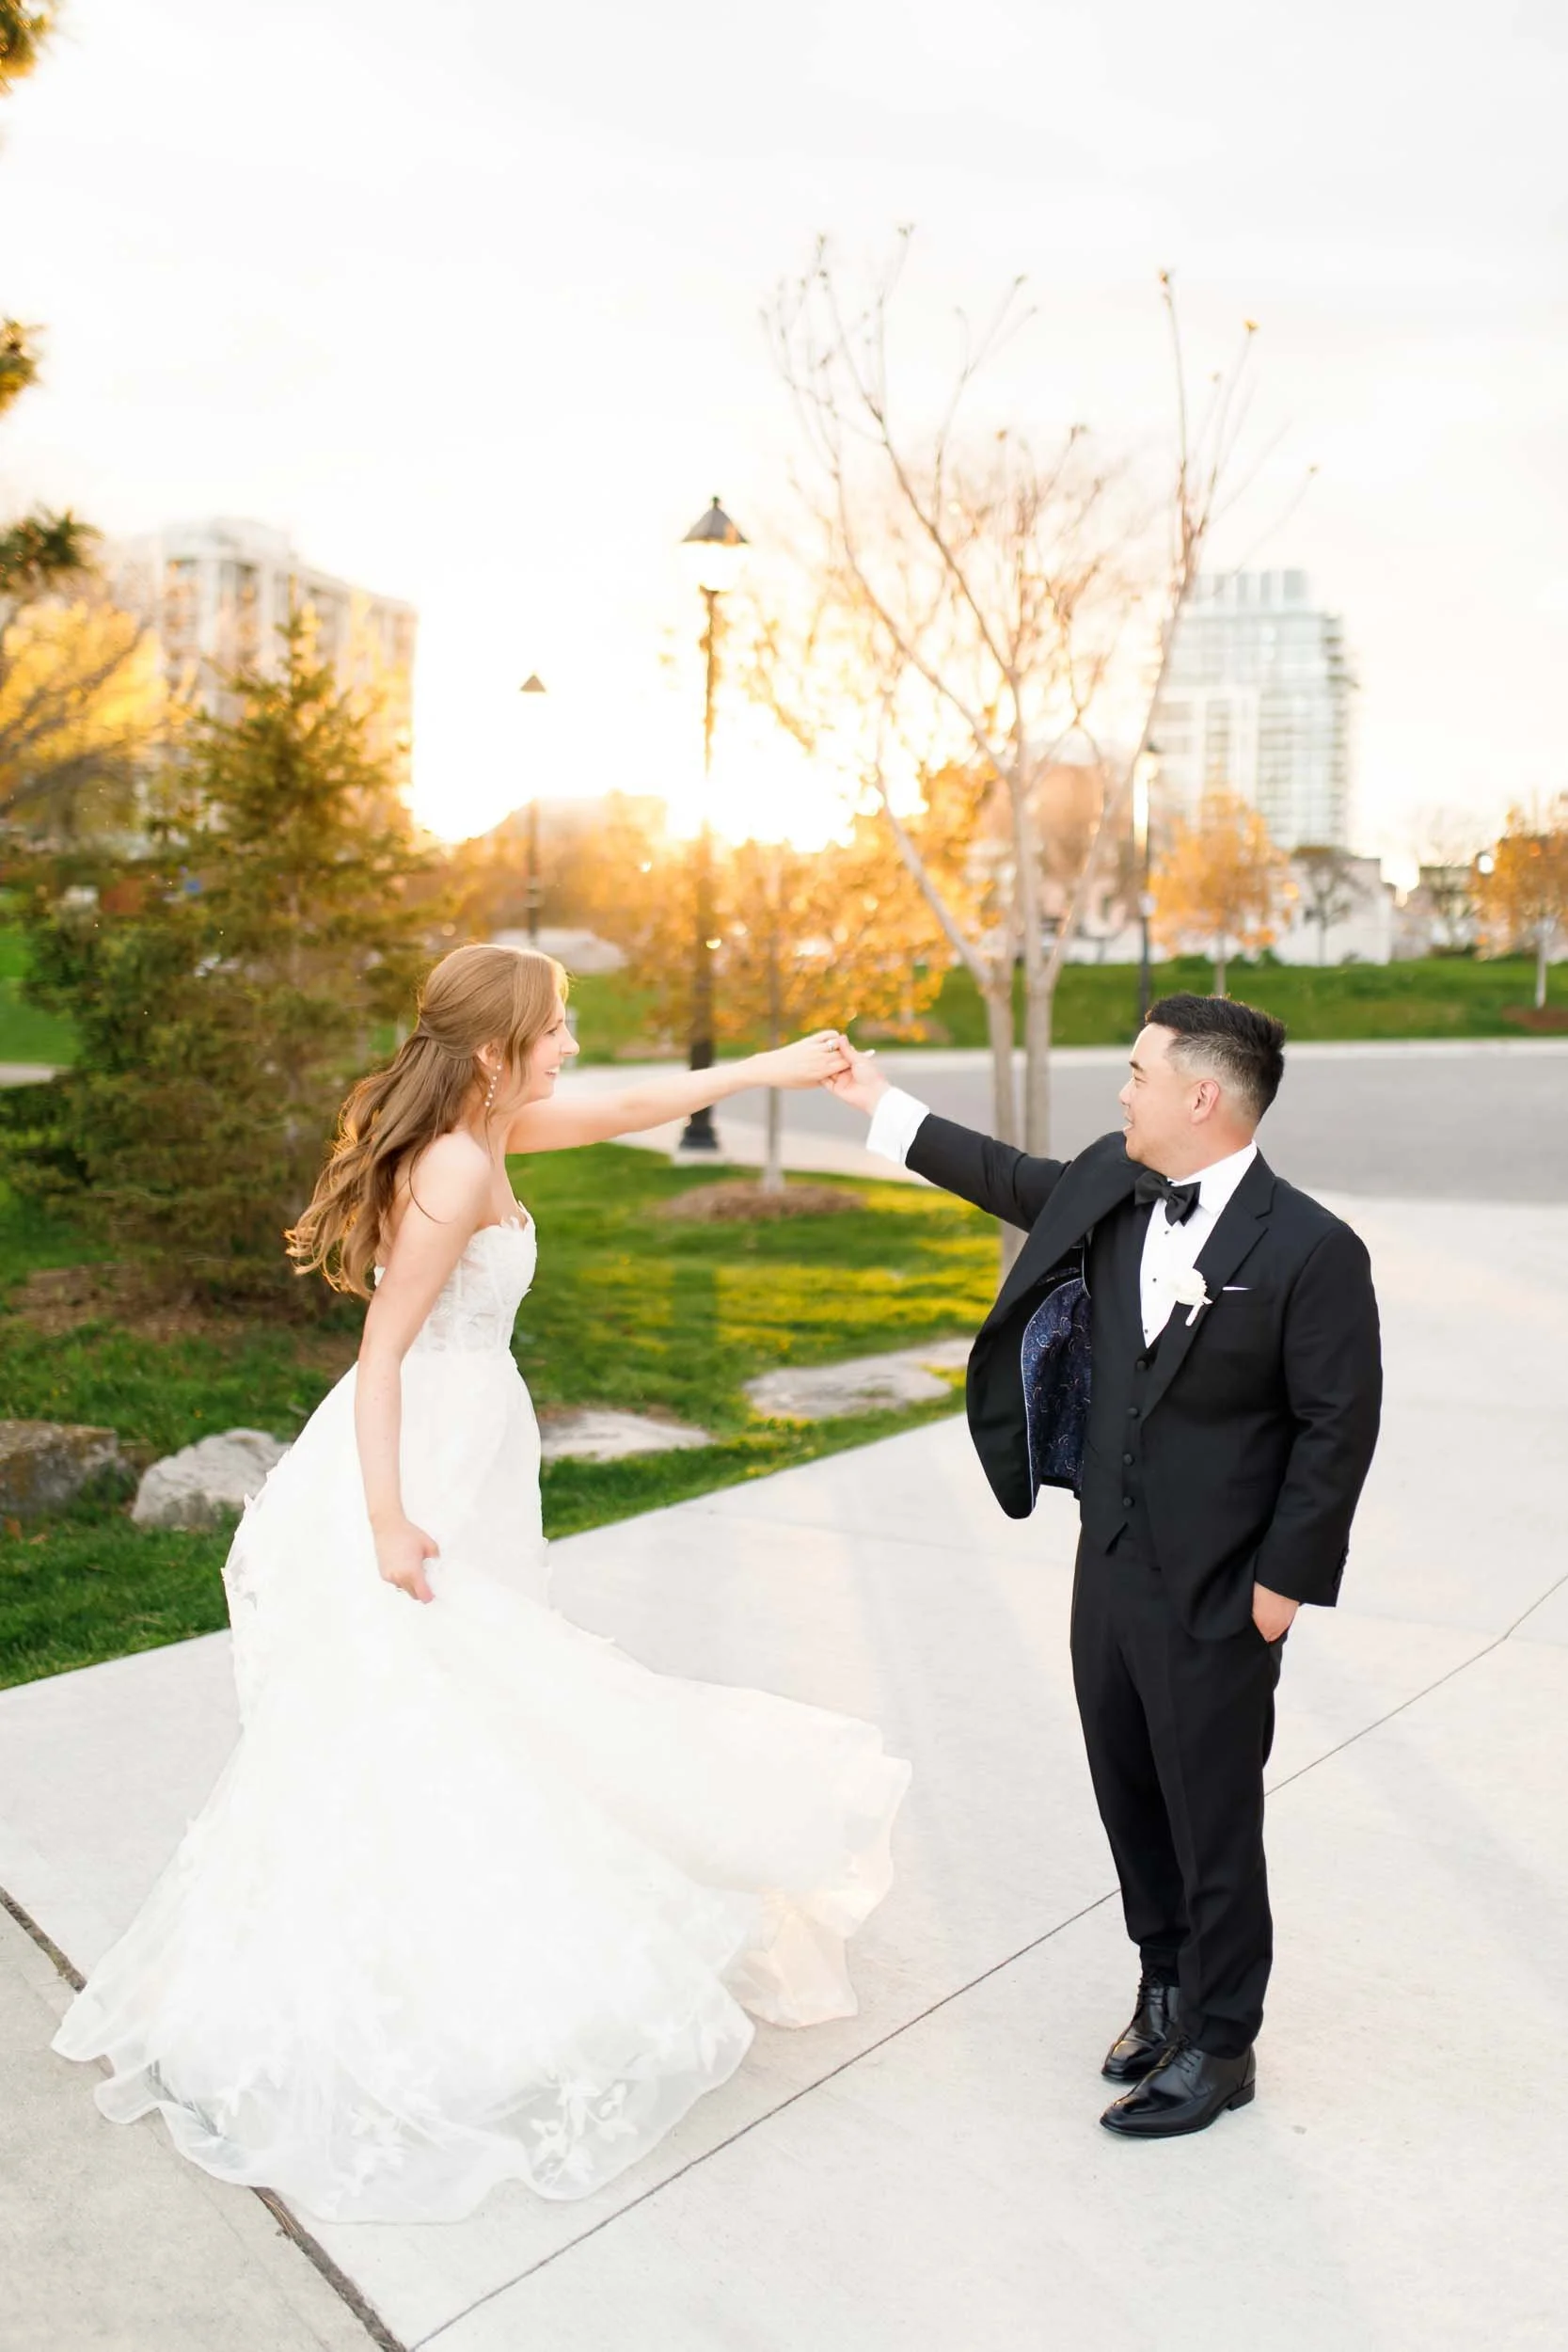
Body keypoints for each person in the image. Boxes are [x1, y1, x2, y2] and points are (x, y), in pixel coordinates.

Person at [53, 944, 910, 2223]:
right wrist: (390, 1523)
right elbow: (382, 1352)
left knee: (482, 1702)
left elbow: (629, 1107)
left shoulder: (489, 1128)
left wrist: (776, 1067)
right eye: (558, 1026)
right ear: (498, 1045)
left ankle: (462, 1954)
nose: (573, 1044)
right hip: (421, 1464)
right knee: (429, 1704)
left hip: (474, 1445)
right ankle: (414, 1987)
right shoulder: (454, 1164)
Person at [828, 993, 1382, 2138]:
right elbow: (1004, 1175)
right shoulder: (1112, 1184)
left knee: (1210, 1812)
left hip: (1226, 1590)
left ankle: (1221, 2044)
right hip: (1110, 1564)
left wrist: (1280, 1589)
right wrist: (874, 1105)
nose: (1118, 1092)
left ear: (1200, 1095)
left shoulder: (1312, 1251)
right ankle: (1163, 1981)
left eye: (1135, 1073)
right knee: (1127, 1785)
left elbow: (1336, 1427)